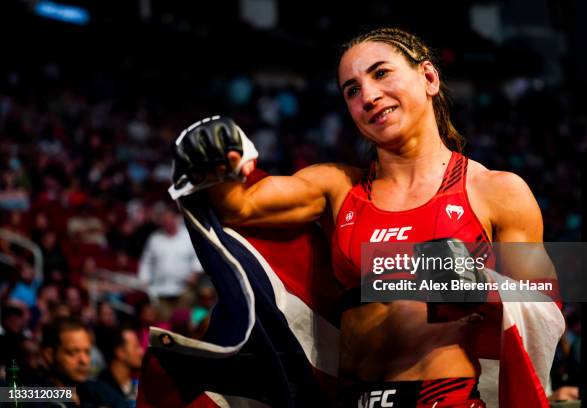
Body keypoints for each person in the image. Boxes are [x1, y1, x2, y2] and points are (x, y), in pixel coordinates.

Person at [171, 27, 562, 407]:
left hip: (444, 398)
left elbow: (547, 310)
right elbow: (241, 206)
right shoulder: (336, 186)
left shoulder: (499, 191)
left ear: (428, 77)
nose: (369, 96)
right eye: (352, 90)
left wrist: (478, 285)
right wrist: (214, 159)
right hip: (351, 400)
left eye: (381, 73)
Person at [40, 317, 127, 407]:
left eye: (87, 352)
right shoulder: (32, 394)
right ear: (49, 355)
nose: (84, 360)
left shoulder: (96, 390)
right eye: (72, 352)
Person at [138, 205, 203, 321]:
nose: (166, 223)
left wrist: (195, 273)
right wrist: (144, 279)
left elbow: (198, 257)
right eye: (164, 221)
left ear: (175, 219)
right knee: (164, 326)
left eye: (169, 220)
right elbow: (146, 261)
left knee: (183, 323)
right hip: (160, 290)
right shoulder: (155, 239)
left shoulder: (188, 236)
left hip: (184, 290)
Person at [98, 326, 143, 399]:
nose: (141, 351)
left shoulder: (137, 387)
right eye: (136, 346)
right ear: (120, 352)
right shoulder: (99, 389)